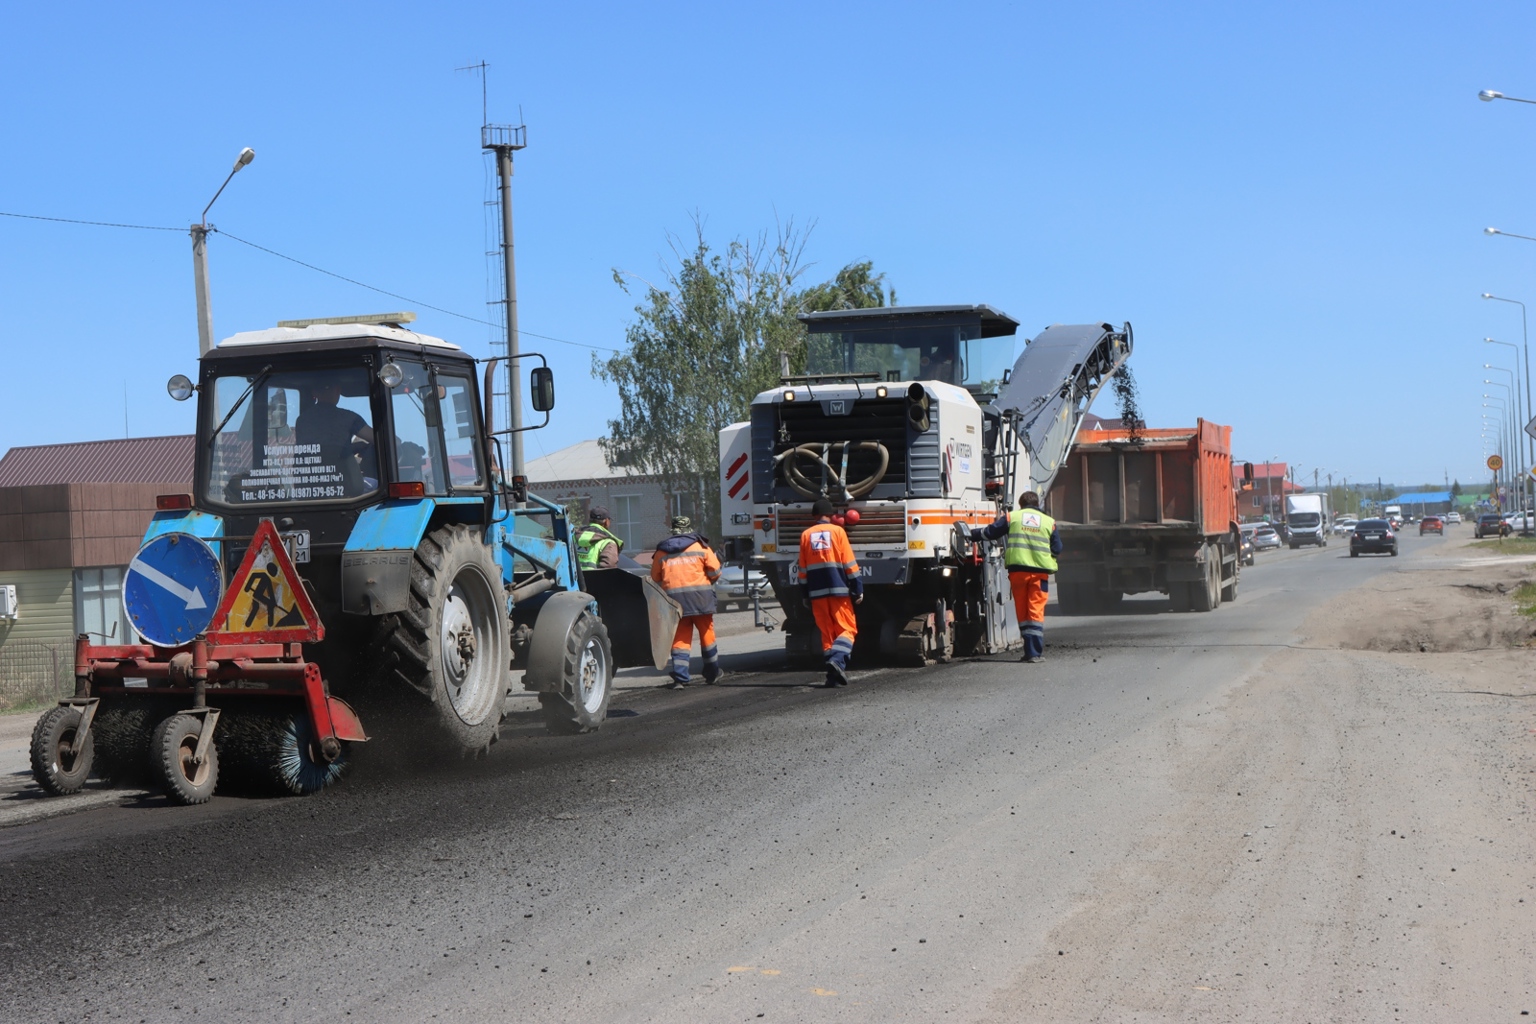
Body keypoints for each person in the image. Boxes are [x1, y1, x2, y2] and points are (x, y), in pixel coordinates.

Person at [971, 491, 1062, 663]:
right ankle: (1034, 653)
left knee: (1022, 610)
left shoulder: (1012, 517)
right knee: (1035, 611)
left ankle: (1029, 652)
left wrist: (972, 534)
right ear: (1038, 504)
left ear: (1021, 504)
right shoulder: (1049, 522)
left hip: (1018, 572)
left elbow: (991, 532)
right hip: (1039, 574)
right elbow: (1057, 548)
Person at [650, 516, 722, 689]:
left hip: (675, 603)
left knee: (680, 638)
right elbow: (715, 571)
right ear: (689, 528)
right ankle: (712, 673)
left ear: (673, 529)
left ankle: (681, 678)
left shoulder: (662, 551)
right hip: (701, 600)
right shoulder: (701, 547)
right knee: (707, 635)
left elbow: (655, 578)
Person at [798, 497, 863, 687]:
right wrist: (858, 588)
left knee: (827, 633)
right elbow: (849, 563)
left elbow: (802, 570)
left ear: (815, 515)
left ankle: (831, 676)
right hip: (839, 590)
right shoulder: (838, 532)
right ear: (831, 515)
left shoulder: (805, 535)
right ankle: (838, 659)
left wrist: (804, 594)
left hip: (816, 593)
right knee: (847, 629)